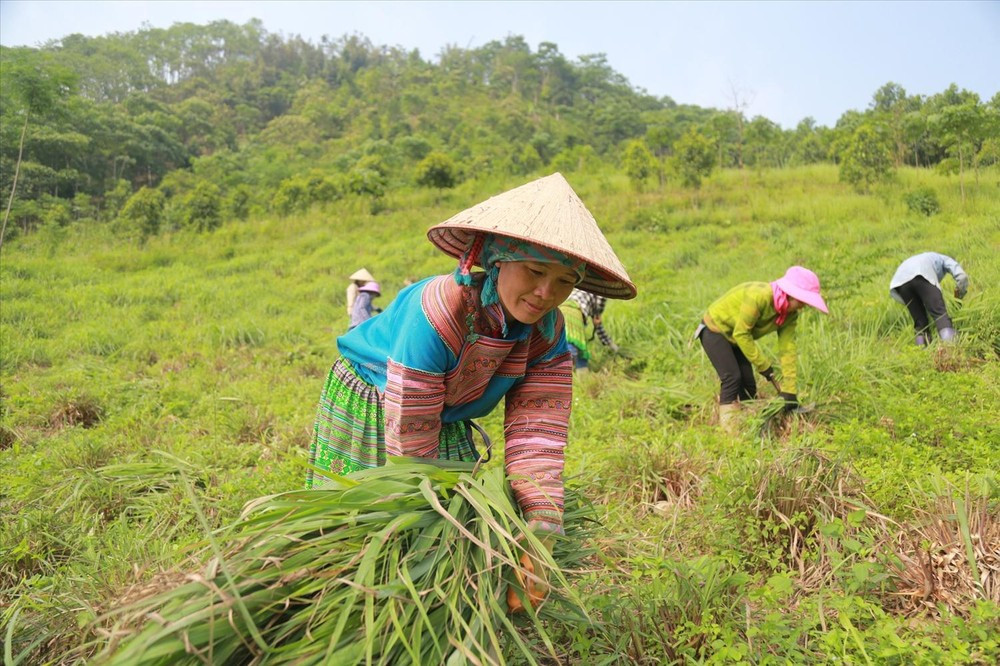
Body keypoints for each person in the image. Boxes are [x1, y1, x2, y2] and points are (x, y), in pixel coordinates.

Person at [307, 173, 635, 608]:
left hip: (446, 411)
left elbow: (539, 426)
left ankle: (443, 598)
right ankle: (349, 595)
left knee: (459, 514)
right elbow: (411, 434)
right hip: (375, 393)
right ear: (497, 261)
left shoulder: (548, 332)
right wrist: (424, 512)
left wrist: (542, 521)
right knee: (373, 514)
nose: (545, 293)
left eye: (564, 282)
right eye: (536, 271)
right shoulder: (440, 310)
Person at [696, 266, 828, 434]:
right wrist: (763, 365)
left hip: (736, 337)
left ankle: (747, 427)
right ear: (790, 294)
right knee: (732, 378)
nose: (802, 307)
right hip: (714, 329)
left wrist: (790, 390)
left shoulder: (790, 315)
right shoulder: (759, 297)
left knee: (749, 386)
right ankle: (729, 435)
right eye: (802, 301)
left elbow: (787, 349)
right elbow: (742, 333)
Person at [889, 252, 968, 346]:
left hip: (900, 282)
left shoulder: (928, 256)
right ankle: (951, 349)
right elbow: (962, 277)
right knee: (940, 314)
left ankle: (921, 352)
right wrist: (959, 296)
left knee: (920, 322)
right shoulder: (945, 259)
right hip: (921, 274)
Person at [559, 288, 621, 372]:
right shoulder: (601, 291)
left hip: (559, 310)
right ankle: (565, 371)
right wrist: (611, 345)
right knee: (574, 345)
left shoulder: (579, 286)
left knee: (569, 342)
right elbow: (597, 319)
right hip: (574, 312)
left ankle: (581, 376)